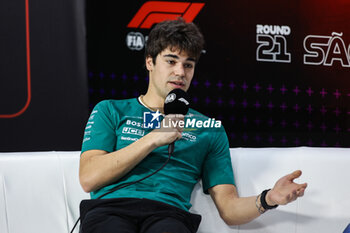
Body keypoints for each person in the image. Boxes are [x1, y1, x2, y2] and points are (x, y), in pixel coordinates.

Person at [78, 18, 307, 233]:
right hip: (109, 210)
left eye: (188, 65)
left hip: (168, 216)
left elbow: (229, 209)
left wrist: (268, 199)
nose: (180, 72)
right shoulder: (110, 110)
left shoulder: (209, 129)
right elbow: (89, 177)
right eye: (171, 61)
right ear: (150, 61)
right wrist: (153, 138)